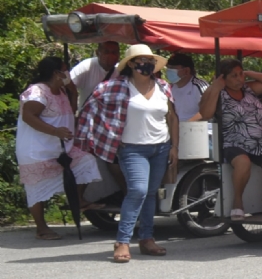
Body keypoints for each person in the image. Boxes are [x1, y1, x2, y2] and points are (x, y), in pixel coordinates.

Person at [74, 44, 179, 263]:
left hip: (160, 147)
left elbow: (171, 117)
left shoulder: (162, 86)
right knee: (138, 190)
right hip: (131, 148)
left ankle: (146, 238)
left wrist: (174, 147)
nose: (146, 65)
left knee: (150, 193)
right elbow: (89, 107)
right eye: (141, 60)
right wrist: (97, 136)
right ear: (130, 64)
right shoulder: (114, 87)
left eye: (149, 61)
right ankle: (122, 241)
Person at [15, 56, 100, 239]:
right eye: (65, 69)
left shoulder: (61, 90)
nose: (68, 73)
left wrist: (73, 92)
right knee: (35, 189)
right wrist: (55, 131)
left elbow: (69, 110)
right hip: (37, 150)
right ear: (56, 73)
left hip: (62, 148)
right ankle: (41, 228)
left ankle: (77, 199)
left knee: (86, 161)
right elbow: (29, 117)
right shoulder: (37, 92)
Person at [199, 58, 262, 220]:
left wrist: (245, 73)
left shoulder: (248, 88)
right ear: (223, 78)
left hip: (261, 144)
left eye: (240, 74)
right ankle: (238, 203)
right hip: (234, 143)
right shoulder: (217, 92)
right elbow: (205, 114)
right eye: (233, 76)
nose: (239, 79)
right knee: (243, 162)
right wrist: (215, 87)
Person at [70, 39, 120, 108]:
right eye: (106, 52)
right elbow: (68, 87)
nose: (110, 56)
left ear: (119, 55)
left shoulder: (120, 71)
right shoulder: (86, 67)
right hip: (87, 116)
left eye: (114, 52)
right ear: (97, 53)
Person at [165, 53, 208, 121]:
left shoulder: (199, 86)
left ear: (186, 71)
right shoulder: (169, 88)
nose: (168, 71)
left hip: (196, 129)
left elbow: (207, 112)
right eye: (168, 68)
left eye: (172, 68)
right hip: (176, 129)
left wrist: (186, 125)